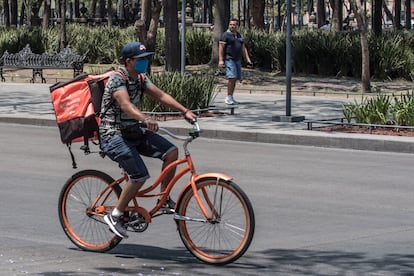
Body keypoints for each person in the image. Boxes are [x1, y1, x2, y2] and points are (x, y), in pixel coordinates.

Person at [100, 42, 197, 238]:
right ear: (129, 61)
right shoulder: (117, 80)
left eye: (146, 59)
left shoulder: (140, 79)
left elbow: (161, 95)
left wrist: (184, 110)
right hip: (113, 134)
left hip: (133, 131)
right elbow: (126, 105)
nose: (145, 62)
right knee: (139, 175)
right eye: (141, 59)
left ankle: (163, 199)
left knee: (171, 152)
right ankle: (115, 215)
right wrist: (145, 119)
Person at [218, 18, 252, 105]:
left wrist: (248, 59)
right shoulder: (225, 35)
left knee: (235, 78)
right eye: (231, 24)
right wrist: (221, 60)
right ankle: (228, 97)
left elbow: (243, 48)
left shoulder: (239, 35)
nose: (232, 26)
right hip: (229, 59)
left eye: (234, 25)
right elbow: (221, 48)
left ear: (237, 26)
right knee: (231, 77)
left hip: (237, 59)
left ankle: (231, 96)